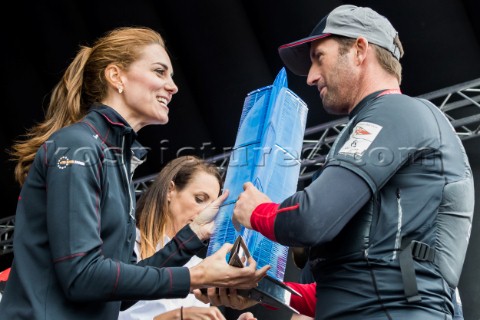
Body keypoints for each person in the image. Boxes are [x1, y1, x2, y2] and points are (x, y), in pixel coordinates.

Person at [0, 26, 269, 320]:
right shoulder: (76, 146)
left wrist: (192, 235)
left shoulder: (115, 160)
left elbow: (122, 296)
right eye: (159, 71)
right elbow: (81, 276)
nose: (173, 86)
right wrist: (196, 275)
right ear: (116, 76)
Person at [229, 4, 475, 320]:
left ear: (360, 50)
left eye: (320, 58)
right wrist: (256, 286)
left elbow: (311, 218)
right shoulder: (385, 124)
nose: (312, 77)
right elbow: (342, 290)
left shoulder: (395, 112)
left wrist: (257, 211)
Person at [119, 155, 257, 320]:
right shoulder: (126, 243)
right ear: (170, 190)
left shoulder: (200, 265)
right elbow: (100, 309)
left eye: (215, 207)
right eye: (200, 199)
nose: (208, 213)